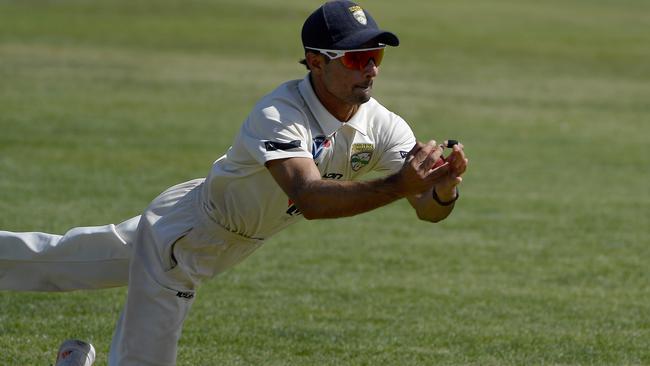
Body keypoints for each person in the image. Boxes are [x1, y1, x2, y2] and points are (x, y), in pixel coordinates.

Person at [0, 1, 468, 365]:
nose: (370, 68)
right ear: (314, 61)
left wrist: (442, 188)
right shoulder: (279, 113)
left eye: (377, 55)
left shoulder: (383, 124)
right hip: (185, 237)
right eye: (356, 57)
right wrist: (399, 184)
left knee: (63, 257)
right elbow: (309, 198)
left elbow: (429, 207)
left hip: (216, 226)